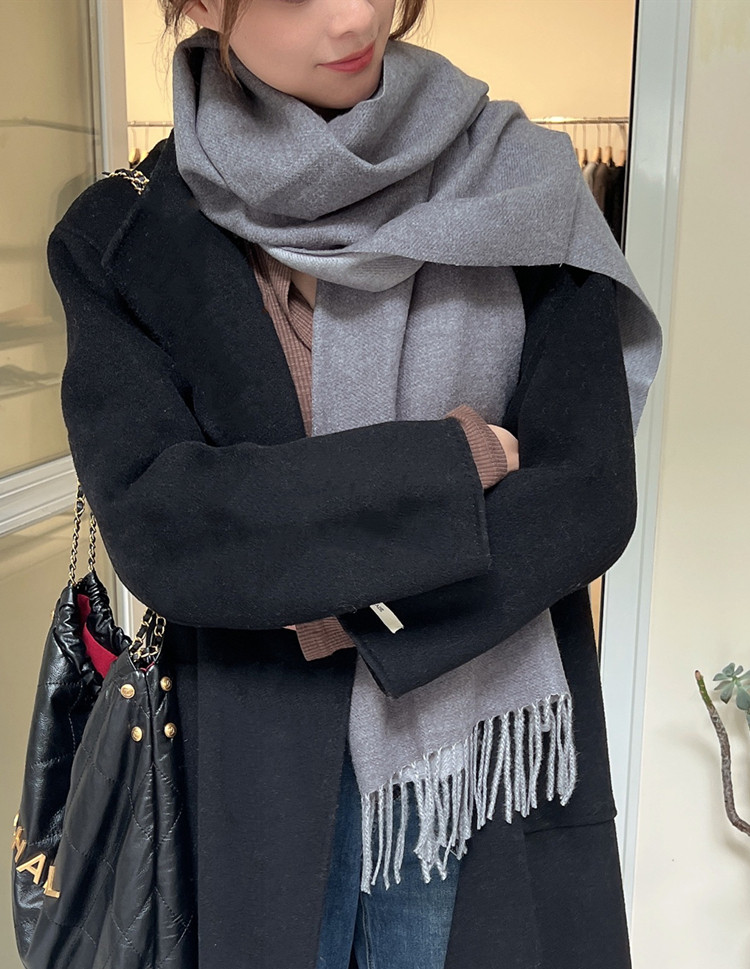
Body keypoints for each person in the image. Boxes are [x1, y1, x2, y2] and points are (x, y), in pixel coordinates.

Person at [45, 1, 662, 967]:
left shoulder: (523, 184)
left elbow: (585, 497)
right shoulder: (121, 235)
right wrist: (458, 463)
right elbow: (167, 527)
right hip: (251, 778)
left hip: (479, 775)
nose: (358, 13)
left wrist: (329, 591)